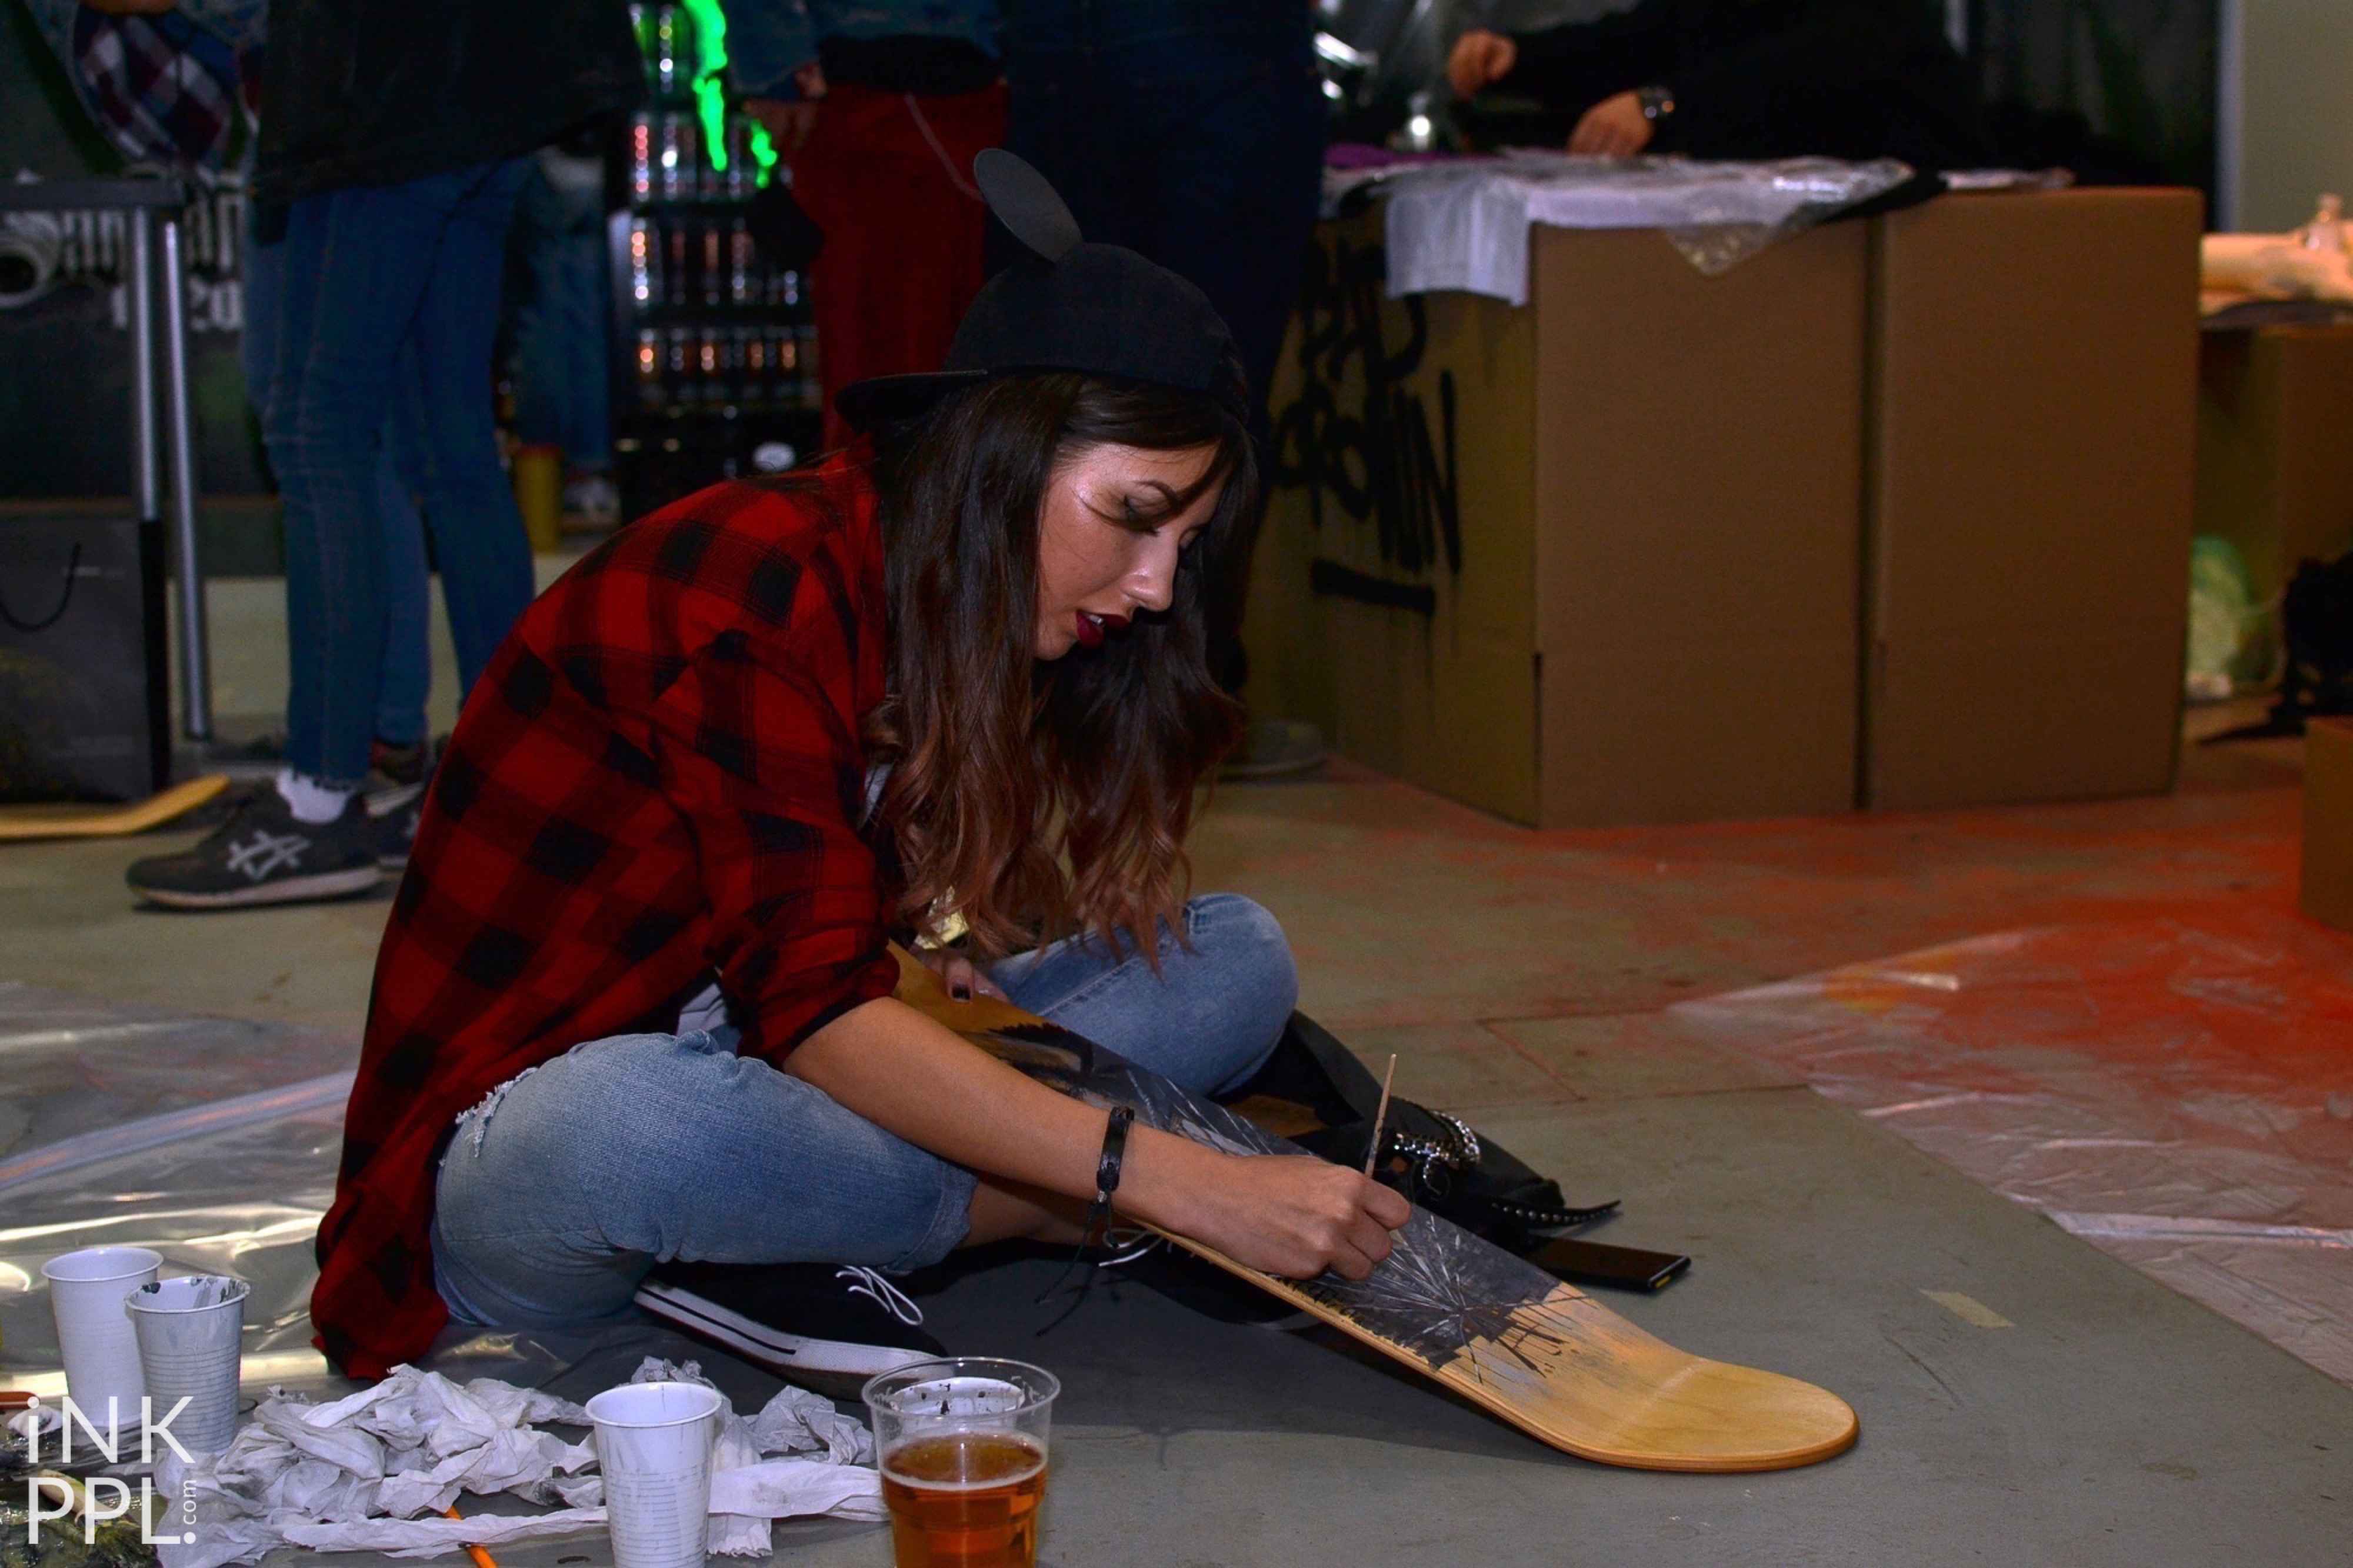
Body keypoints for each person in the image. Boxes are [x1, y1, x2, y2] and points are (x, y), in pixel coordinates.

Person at [307, 152, 1411, 1382]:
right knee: (622, 1125)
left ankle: (829, 1236)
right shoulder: (749, 587)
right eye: (1135, 515)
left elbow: (815, 957)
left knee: (1235, 956)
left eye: (1185, 544)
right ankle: (1028, 1211)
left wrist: (925, 955)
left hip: (766, 1083)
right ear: (1000, 457)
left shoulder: (947, 594)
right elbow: (820, 1019)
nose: (1156, 586)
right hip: (530, 1166)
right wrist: (1186, 1185)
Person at [124, 0, 643, 910]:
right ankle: (499, 785)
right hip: (502, 79)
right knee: (450, 438)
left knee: (318, 425)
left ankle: (319, 801)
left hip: (383, 79)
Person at [998, 0, 1330, 776]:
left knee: (1048, 386)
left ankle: (1030, 701)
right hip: (1219, 52)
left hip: (1058, 51)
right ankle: (1173, 713)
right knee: (1212, 399)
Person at [726, 0, 1006, 453]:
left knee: (921, 341)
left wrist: (775, 70)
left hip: (935, 79)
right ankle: (883, 485)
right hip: (884, 82)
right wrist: (777, 69)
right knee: (891, 345)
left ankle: (891, 483)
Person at [1448, 0, 1991, 174]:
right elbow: (1656, 34)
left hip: (1920, 213)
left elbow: (1829, 54)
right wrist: (1520, 58)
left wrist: (1663, 105)